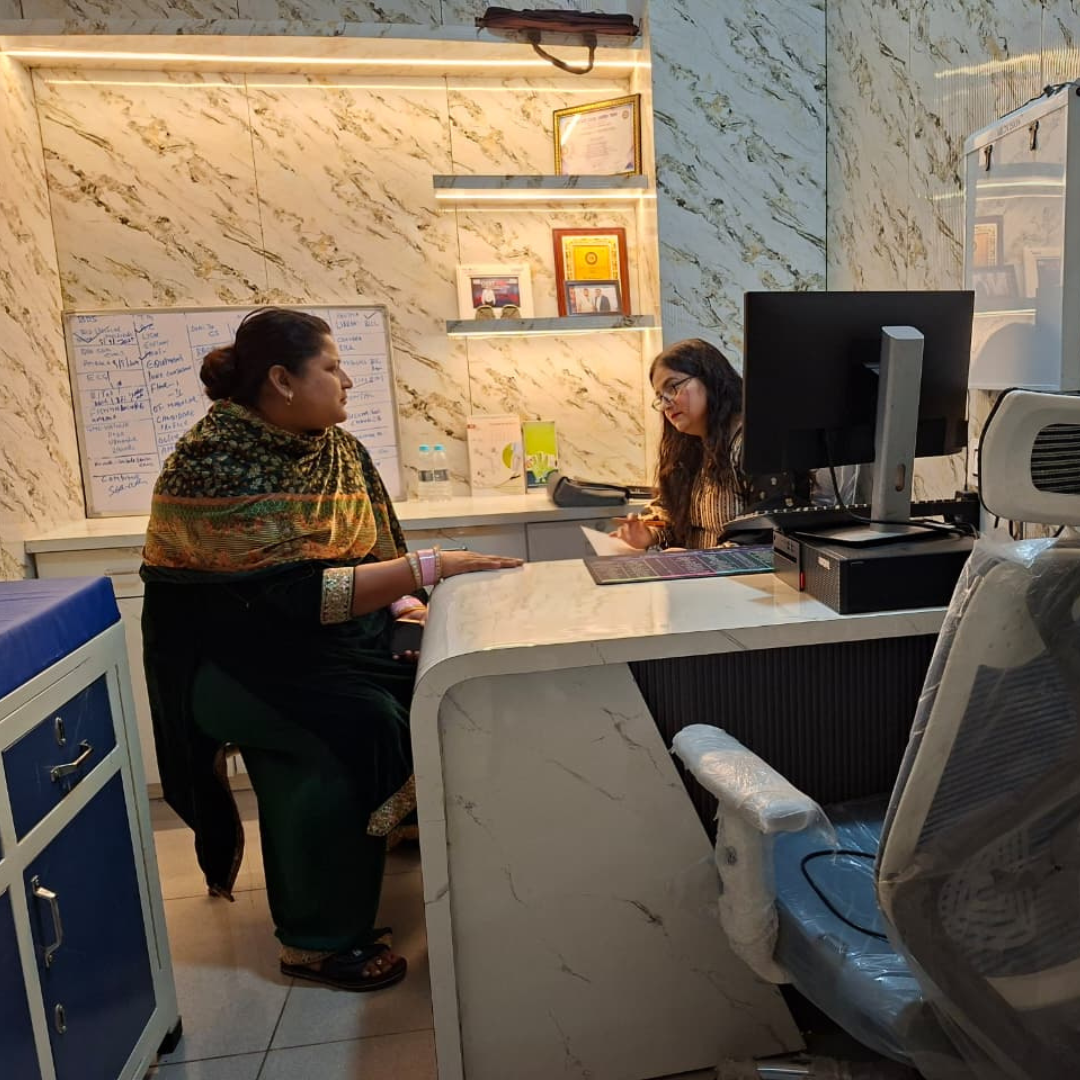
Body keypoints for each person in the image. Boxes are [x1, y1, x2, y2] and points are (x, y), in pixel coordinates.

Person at [140, 308, 522, 993]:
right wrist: (433, 568)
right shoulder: (212, 463)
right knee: (358, 719)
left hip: (330, 645)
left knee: (429, 683)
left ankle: (391, 826)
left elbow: (377, 552)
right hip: (232, 664)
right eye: (331, 367)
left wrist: (408, 609)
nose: (347, 381)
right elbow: (292, 598)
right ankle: (317, 941)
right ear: (282, 380)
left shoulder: (339, 450)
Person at [614, 338, 809, 550]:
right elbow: (668, 514)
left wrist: (697, 561)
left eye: (672, 387)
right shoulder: (688, 448)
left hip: (744, 572)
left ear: (709, 379)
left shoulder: (754, 443)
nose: (666, 404)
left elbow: (768, 535)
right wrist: (650, 533)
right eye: (660, 396)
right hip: (694, 570)